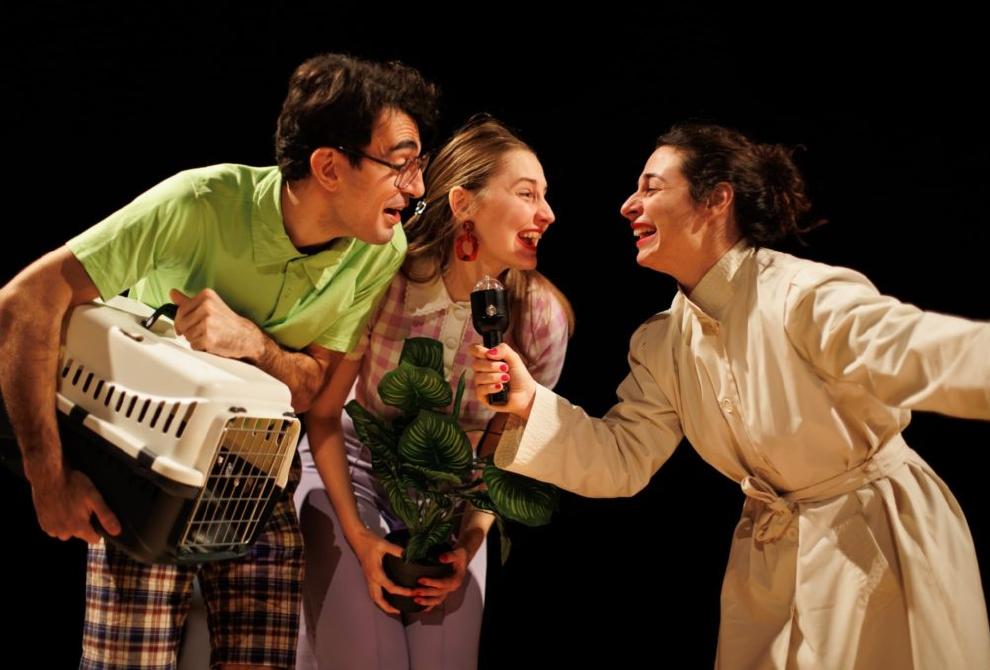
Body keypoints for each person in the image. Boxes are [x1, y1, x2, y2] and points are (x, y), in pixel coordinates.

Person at [471, 123, 990, 669]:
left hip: (879, 538)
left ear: (717, 199)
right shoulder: (665, 342)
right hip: (774, 560)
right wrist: (529, 402)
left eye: (652, 187)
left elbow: (924, 352)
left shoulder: (801, 297)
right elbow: (621, 460)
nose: (628, 205)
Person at [0, 52, 438, 669]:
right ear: (329, 167)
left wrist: (252, 343)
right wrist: (47, 478)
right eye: (400, 165)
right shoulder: (199, 202)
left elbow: (312, 390)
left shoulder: (380, 248)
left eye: (418, 166)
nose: (416, 189)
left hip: (259, 477)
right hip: (150, 470)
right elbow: (26, 300)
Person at [294, 116, 573, 670]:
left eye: (546, 196)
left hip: (452, 504)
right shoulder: (389, 277)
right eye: (527, 194)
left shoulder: (541, 317)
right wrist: (359, 538)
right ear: (463, 203)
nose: (547, 213)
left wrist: (467, 545)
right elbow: (322, 416)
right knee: (369, 657)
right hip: (350, 471)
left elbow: (504, 454)